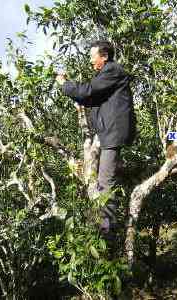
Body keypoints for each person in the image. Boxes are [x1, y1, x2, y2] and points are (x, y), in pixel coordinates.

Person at [56, 40, 136, 236]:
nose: (91, 60)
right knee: (102, 177)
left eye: (93, 56)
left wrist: (65, 84)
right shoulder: (107, 74)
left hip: (113, 134)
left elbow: (88, 91)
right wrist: (78, 96)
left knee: (104, 182)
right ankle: (107, 225)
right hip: (108, 133)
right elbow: (89, 96)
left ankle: (107, 232)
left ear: (105, 56)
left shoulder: (112, 71)